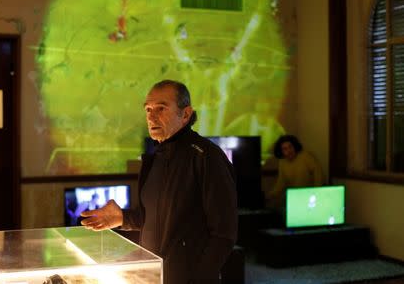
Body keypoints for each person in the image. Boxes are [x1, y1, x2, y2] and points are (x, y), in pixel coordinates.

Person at [81, 80, 238, 284]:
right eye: (148, 109)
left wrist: (200, 278)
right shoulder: (155, 158)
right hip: (154, 275)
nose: (151, 116)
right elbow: (158, 219)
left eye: (161, 108)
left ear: (186, 114)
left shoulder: (207, 156)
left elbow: (224, 234)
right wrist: (122, 217)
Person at [266, 134, 324, 209]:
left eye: (290, 147)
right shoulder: (282, 162)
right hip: (295, 198)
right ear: (281, 151)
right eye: (285, 149)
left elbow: (318, 173)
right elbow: (281, 183)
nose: (289, 151)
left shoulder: (306, 156)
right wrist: (270, 196)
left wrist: (317, 193)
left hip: (310, 196)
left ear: (295, 146)